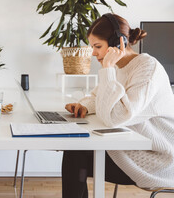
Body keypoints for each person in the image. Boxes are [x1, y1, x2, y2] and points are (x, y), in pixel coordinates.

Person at [63, 13, 174, 198]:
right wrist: (84, 106)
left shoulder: (147, 68)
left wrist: (107, 69)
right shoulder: (117, 67)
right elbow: (97, 96)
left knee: (76, 155)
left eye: (97, 46)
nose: (93, 53)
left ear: (117, 42)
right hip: (129, 148)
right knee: (75, 152)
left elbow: (115, 117)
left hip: (156, 160)